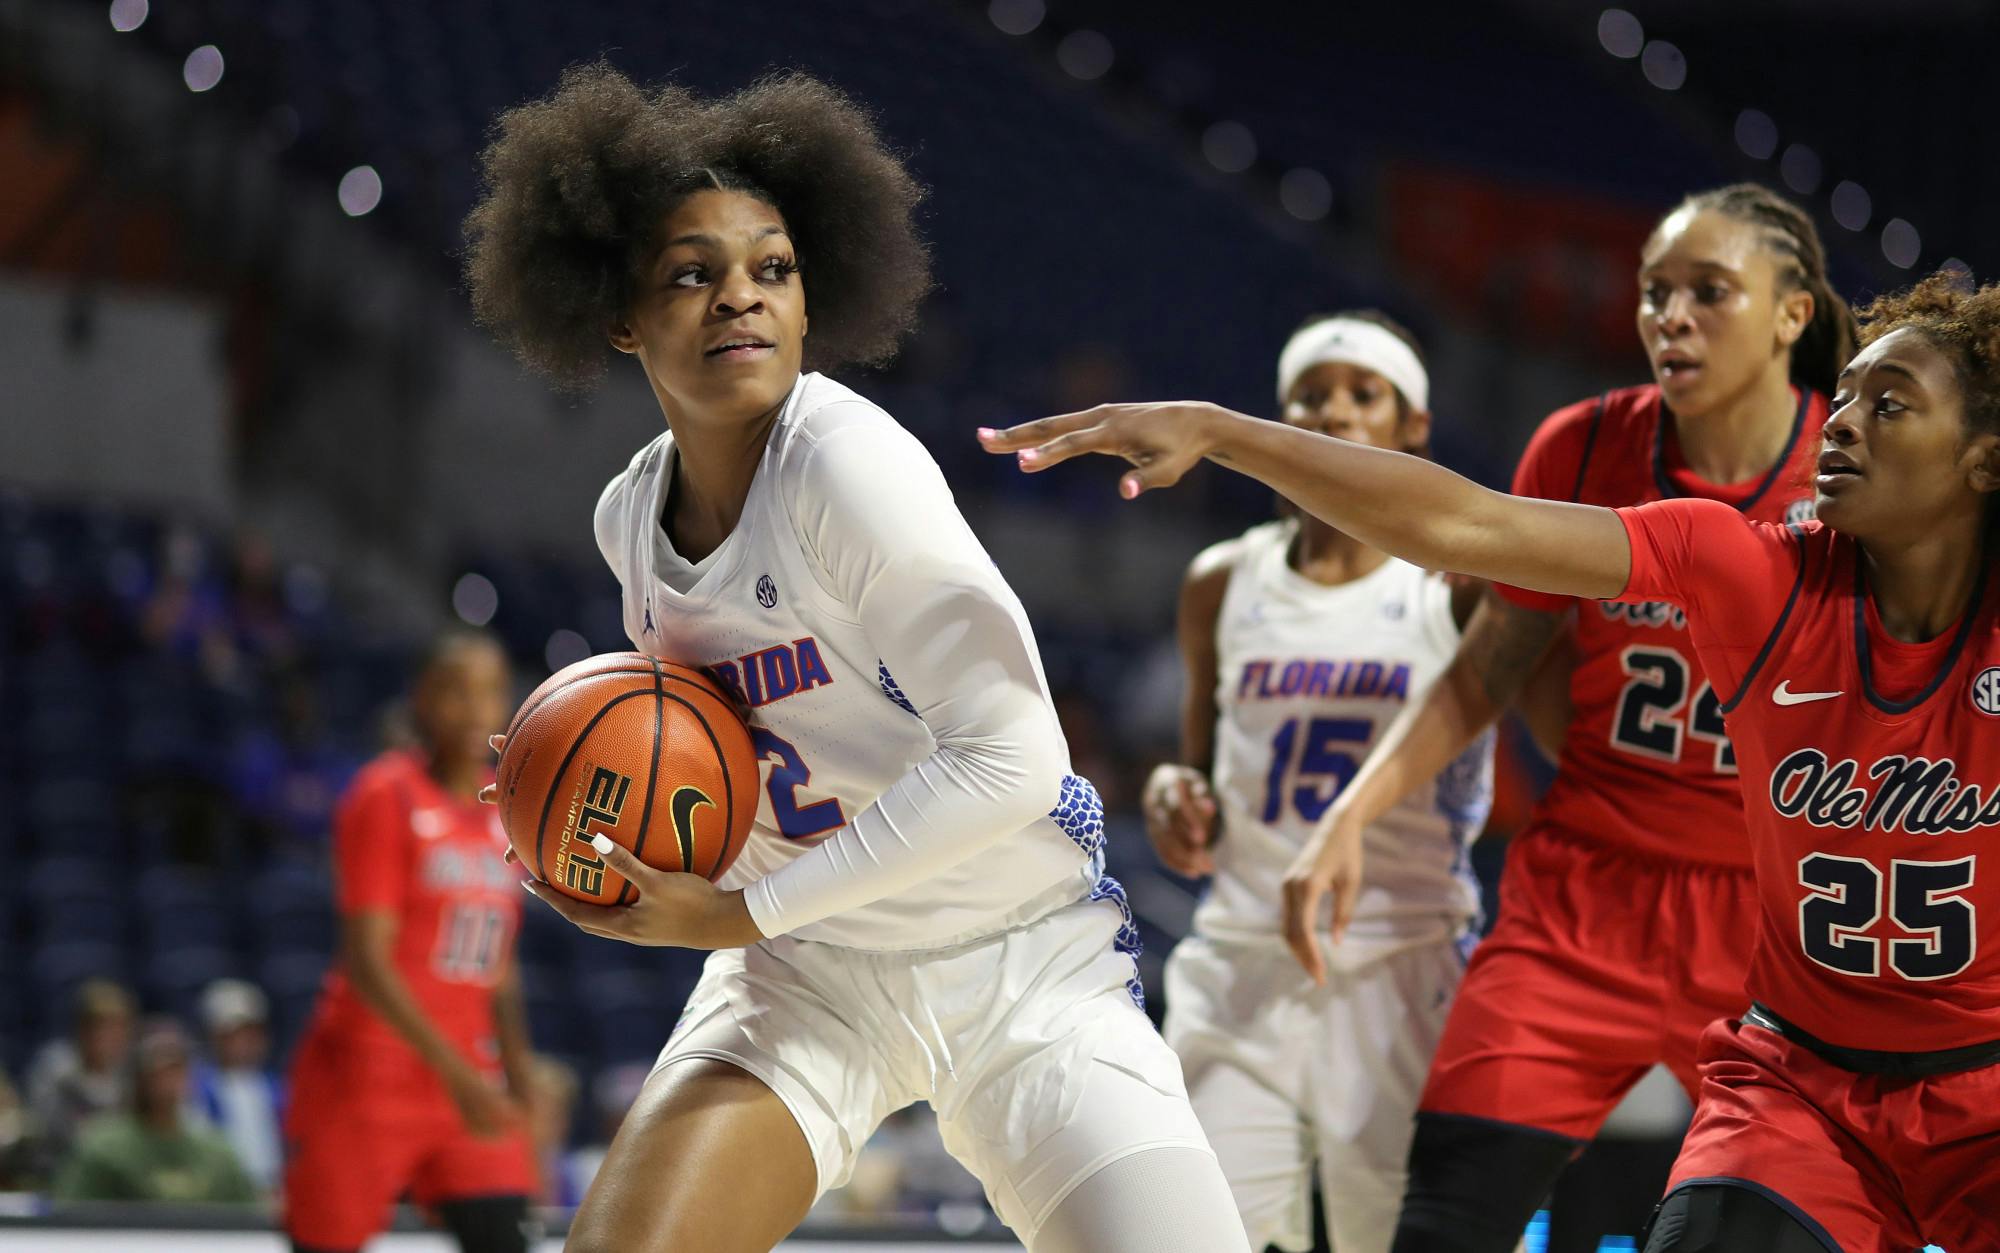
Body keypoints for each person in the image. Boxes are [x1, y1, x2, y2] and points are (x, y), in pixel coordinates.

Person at [982, 266, 2000, 1253]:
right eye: (1850, 390)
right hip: (1800, 1085)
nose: (1842, 419)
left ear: (1982, 457)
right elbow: (1469, 522)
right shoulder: (1750, 564)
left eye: (1891, 402)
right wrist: (1219, 429)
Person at [462, 64, 1247, 1253]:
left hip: (1014, 965)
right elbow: (697, 751)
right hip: (807, 978)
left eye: (771, 269)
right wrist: (551, 779)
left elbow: (1015, 757)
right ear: (619, 315)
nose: (742, 298)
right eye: (693, 273)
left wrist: (741, 911)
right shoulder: (626, 520)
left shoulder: (842, 460)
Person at [1249, 184, 1852, 1252]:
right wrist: (1351, 814)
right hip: (1584, 891)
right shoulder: (1579, 446)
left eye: (1708, 292)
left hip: (1775, 911)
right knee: (1443, 1214)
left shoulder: (1850, 476)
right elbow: (1488, 666)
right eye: (1653, 291)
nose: (1669, 314)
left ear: (1791, 312)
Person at [1146, 310, 1508, 1252]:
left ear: (1412, 428)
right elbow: (1200, 761)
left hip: (1400, 962)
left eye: (1364, 393)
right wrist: (1174, 795)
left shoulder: (1458, 582)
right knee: (1185, 1230)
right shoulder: (1223, 579)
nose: (1334, 411)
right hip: (1244, 957)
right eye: (1312, 393)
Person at [281, 631, 537, 1253]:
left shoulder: (509, 807)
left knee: (503, 1234)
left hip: (466, 1070)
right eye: (455, 690)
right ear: (421, 699)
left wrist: (519, 1071)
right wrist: (460, 1077)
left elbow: (500, 962)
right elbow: (368, 964)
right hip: (369, 1069)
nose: (475, 709)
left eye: (489, 692)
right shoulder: (383, 794)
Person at [53, 1018, 258, 1204]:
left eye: (176, 1070)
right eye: (157, 1072)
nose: (167, 1083)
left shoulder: (217, 1152)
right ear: (138, 1078)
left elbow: (249, 1215)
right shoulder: (103, 1148)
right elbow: (70, 1213)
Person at [26, 978, 136, 1173]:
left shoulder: (133, 1073)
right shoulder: (56, 1069)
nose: (107, 1036)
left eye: (117, 1027)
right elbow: (50, 1130)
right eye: (99, 1026)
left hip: (117, 1173)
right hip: (61, 1169)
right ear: (81, 1030)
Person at [190, 978, 285, 1193]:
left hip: (273, 1188)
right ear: (214, 1036)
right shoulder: (197, 1087)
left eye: (251, 1034)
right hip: (220, 1190)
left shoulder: (276, 1088)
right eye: (233, 1034)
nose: (243, 1043)